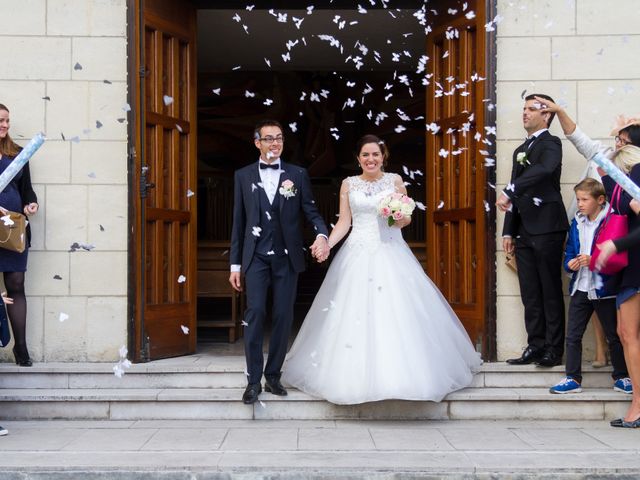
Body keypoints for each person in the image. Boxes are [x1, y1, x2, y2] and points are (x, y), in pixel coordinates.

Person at [281, 134, 481, 405]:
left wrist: (397, 215)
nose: (371, 159)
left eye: (375, 154)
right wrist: (327, 242)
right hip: (357, 253)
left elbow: (406, 219)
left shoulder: (395, 181)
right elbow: (344, 223)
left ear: (383, 156)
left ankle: (403, 377)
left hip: (391, 251)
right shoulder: (348, 184)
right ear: (358, 159)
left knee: (398, 312)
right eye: (365, 155)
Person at [229, 119, 330, 405]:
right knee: (256, 313)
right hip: (256, 257)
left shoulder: (297, 175)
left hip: (287, 257)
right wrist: (235, 266)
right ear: (257, 142)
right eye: (269, 138)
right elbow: (239, 223)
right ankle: (252, 381)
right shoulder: (243, 176)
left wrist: (322, 234)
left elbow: (310, 211)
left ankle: (273, 376)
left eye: (280, 138)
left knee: (284, 317)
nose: (275, 143)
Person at [497, 94, 569, 367]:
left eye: (531, 109)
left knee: (550, 289)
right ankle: (535, 345)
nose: (525, 113)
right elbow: (516, 188)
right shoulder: (519, 151)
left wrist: (509, 190)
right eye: (523, 108)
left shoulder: (552, 143)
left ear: (547, 114)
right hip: (524, 230)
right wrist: (508, 231)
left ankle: (554, 349)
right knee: (529, 292)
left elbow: (543, 170)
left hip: (548, 226)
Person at [549, 178, 630, 394]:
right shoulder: (576, 222)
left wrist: (592, 258)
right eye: (578, 199)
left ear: (600, 200)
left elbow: (617, 254)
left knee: (615, 335)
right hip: (581, 287)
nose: (580, 204)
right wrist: (570, 263)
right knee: (573, 335)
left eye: (585, 199)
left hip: (605, 288)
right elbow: (569, 251)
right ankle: (572, 378)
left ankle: (622, 376)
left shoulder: (612, 220)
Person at [596, 145, 640, 428]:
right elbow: (601, 168)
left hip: (636, 264)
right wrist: (613, 149)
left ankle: (638, 403)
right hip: (630, 267)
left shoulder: (637, 173)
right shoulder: (622, 185)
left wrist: (615, 244)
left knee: (628, 333)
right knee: (626, 333)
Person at [0, 104, 38, 367]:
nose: (5, 125)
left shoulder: (17, 154)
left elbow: (28, 191)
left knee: (16, 285)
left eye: (7, 121)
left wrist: (30, 205)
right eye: (1, 121)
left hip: (12, 232)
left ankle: (21, 348)